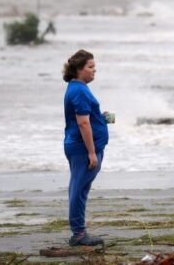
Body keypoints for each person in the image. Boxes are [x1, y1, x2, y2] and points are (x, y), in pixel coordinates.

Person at [62, 49, 109, 247]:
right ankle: (79, 234)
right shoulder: (79, 91)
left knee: (79, 189)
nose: (94, 71)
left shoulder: (78, 88)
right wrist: (91, 152)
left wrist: (102, 118)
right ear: (79, 70)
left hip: (81, 147)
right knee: (79, 190)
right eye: (90, 67)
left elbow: (87, 118)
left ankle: (79, 231)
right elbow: (83, 124)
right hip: (82, 149)